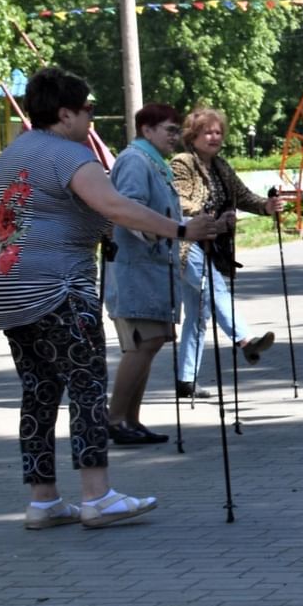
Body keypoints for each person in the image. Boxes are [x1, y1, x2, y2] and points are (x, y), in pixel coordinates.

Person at [0, 68, 225, 529]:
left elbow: (60, 212)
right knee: (87, 384)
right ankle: (97, 495)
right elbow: (113, 206)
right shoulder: (73, 157)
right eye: (87, 107)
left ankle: (43, 499)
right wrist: (182, 229)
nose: (92, 115)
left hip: (3, 282)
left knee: (40, 389)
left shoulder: (13, 154)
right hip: (55, 286)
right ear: (65, 112)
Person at [170, 107, 280, 397]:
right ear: (193, 135)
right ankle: (245, 340)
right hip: (186, 243)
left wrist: (266, 207)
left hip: (212, 246)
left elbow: (242, 196)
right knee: (214, 288)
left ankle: (186, 380)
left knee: (199, 312)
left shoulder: (221, 166)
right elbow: (179, 201)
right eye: (208, 131)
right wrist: (212, 219)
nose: (214, 136)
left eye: (218, 132)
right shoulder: (182, 163)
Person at [105, 103, 185, 446]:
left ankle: (131, 419)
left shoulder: (152, 162)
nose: (176, 137)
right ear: (146, 129)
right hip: (135, 270)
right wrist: (164, 233)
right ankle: (115, 419)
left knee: (150, 344)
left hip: (151, 269)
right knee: (141, 344)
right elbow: (128, 209)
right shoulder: (135, 160)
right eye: (169, 130)